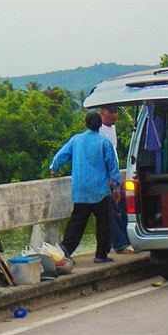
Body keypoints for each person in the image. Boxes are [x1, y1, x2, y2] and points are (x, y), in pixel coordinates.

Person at [50, 112, 122, 263]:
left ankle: (66, 249)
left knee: (77, 222)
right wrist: (117, 187)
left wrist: (54, 168)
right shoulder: (104, 143)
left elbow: (60, 157)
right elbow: (113, 168)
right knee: (104, 223)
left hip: (81, 189)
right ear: (100, 125)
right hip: (100, 191)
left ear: (86, 124)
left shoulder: (76, 140)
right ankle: (101, 254)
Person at [99, 106, 135, 254]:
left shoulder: (112, 129)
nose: (114, 115)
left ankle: (128, 240)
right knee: (112, 210)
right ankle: (120, 243)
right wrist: (110, 178)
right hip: (108, 177)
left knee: (123, 208)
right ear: (102, 112)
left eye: (115, 112)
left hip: (115, 175)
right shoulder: (99, 130)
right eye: (110, 112)